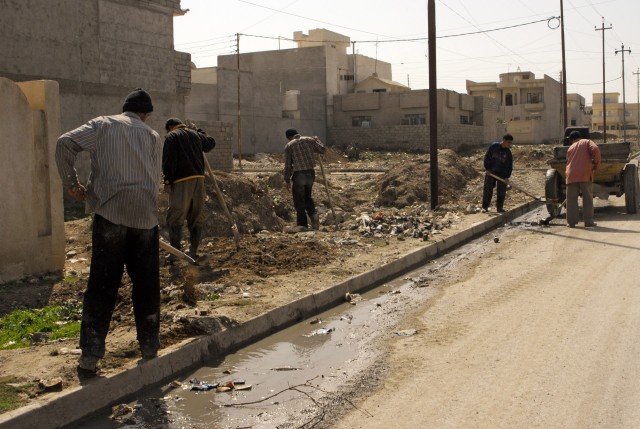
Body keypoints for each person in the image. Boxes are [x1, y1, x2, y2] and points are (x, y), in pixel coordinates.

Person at [55, 88, 163, 375]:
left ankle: (90, 356)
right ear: (145, 114)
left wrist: (72, 182)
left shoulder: (103, 124)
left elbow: (64, 143)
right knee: (147, 285)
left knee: (103, 285)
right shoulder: (152, 136)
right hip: (145, 217)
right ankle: (150, 347)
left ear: (125, 109)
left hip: (111, 212)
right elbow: (155, 177)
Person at [162, 118, 216, 259]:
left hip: (181, 181)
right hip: (199, 180)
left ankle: (175, 253)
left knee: (176, 215)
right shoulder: (195, 135)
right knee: (196, 215)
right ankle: (193, 251)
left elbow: (169, 161)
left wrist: (167, 181)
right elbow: (210, 143)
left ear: (170, 127)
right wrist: (198, 130)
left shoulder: (171, 136)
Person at [283, 128, 326, 229]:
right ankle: (314, 216)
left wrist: (287, 179)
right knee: (308, 197)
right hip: (310, 173)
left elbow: (288, 165)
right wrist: (317, 140)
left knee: (299, 200)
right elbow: (323, 150)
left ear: (289, 137)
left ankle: (302, 225)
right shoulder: (310, 140)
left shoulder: (289, 145)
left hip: (299, 174)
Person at [565, 130, 601, 228]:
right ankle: (588, 222)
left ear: (572, 139)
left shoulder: (570, 148)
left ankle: (571, 223)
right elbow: (596, 149)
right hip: (584, 174)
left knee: (571, 200)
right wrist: (596, 165)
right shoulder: (587, 142)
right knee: (587, 198)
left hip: (570, 175)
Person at [482, 134, 514, 213]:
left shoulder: (508, 153)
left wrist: (507, 177)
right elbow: (487, 157)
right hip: (491, 171)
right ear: (503, 140)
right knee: (488, 189)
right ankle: (485, 207)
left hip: (502, 174)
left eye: (511, 143)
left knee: (501, 191)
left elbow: (510, 166)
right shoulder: (494, 147)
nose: (509, 144)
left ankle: (499, 208)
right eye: (508, 142)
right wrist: (487, 169)